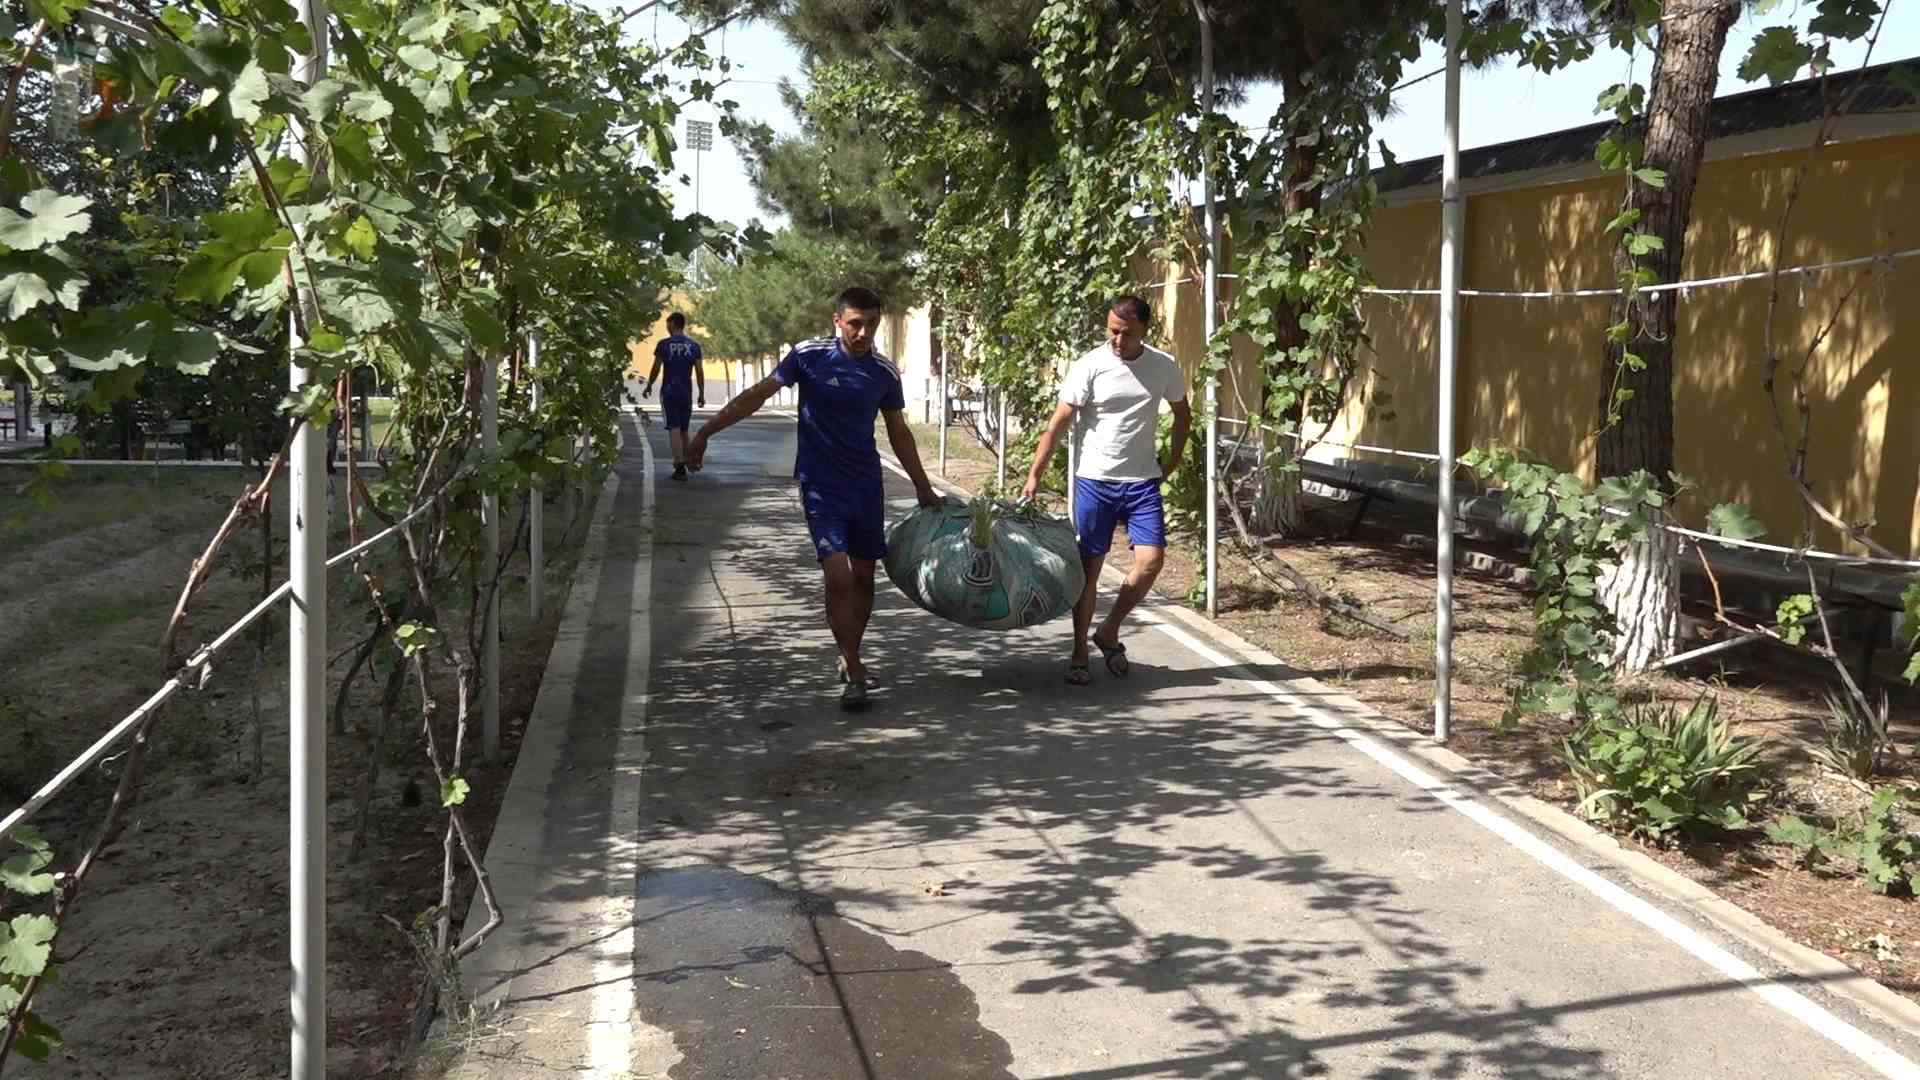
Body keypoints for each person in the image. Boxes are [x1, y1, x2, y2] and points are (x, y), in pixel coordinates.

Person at [687, 286, 942, 711]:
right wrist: (706, 431)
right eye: (856, 323)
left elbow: (898, 432)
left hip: (866, 485)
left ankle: (851, 656)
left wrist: (921, 486)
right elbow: (757, 396)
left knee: (863, 576)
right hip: (820, 484)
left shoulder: (883, 373)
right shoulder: (808, 355)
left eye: (872, 324)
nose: (863, 332)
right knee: (837, 576)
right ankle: (853, 662)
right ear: (837, 320)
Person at [1022, 296, 1191, 686]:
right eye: (1112, 330)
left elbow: (1183, 414)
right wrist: (1034, 476)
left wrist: (1175, 458)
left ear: (1145, 330)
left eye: (1126, 333)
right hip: (1094, 482)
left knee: (1151, 562)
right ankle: (1080, 649)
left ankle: (1109, 630)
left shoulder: (1163, 366)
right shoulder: (1091, 366)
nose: (1117, 339)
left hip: (1143, 481)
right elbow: (1057, 424)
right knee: (1089, 571)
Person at [641, 312, 706, 481]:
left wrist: (649, 385)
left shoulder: (664, 345)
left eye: (667, 324)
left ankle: (679, 466)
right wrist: (701, 393)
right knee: (684, 429)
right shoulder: (694, 346)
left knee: (674, 429)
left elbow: (656, 368)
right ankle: (689, 460)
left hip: (669, 392)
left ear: (672, 324)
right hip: (686, 393)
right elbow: (699, 372)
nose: (666, 328)